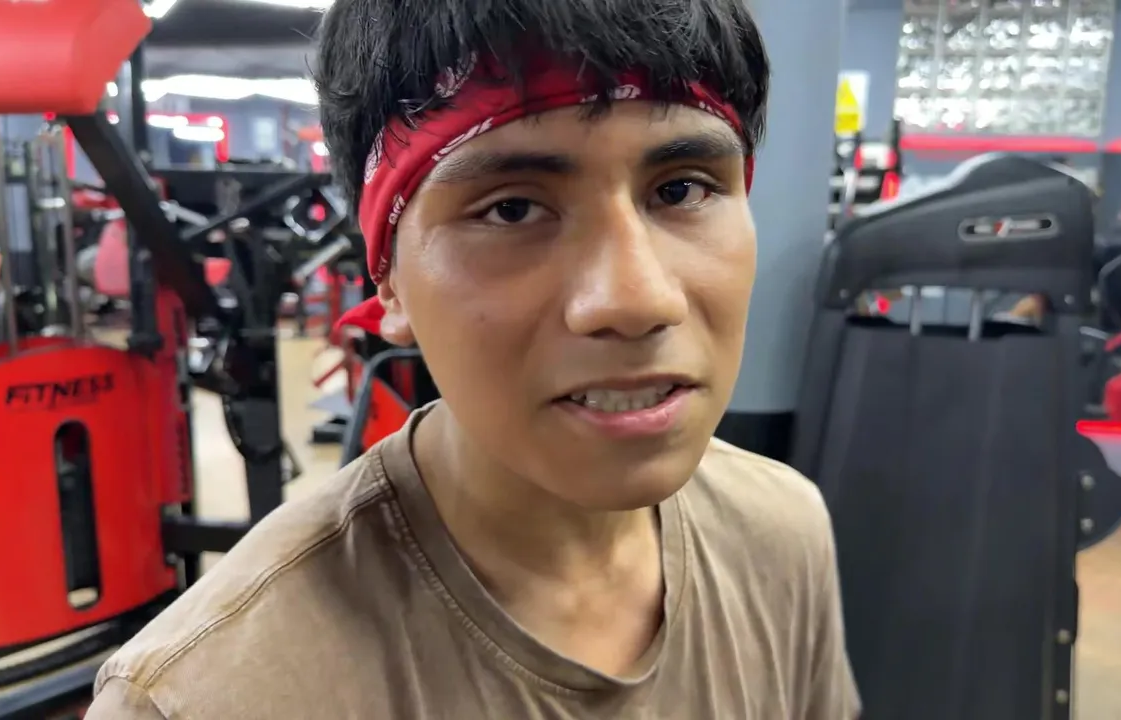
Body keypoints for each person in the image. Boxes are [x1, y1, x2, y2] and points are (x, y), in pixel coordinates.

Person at [87, 0, 860, 717]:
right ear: (388, 281)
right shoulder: (203, 697)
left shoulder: (781, 536)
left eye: (682, 190)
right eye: (512, 209)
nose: (637, 299)